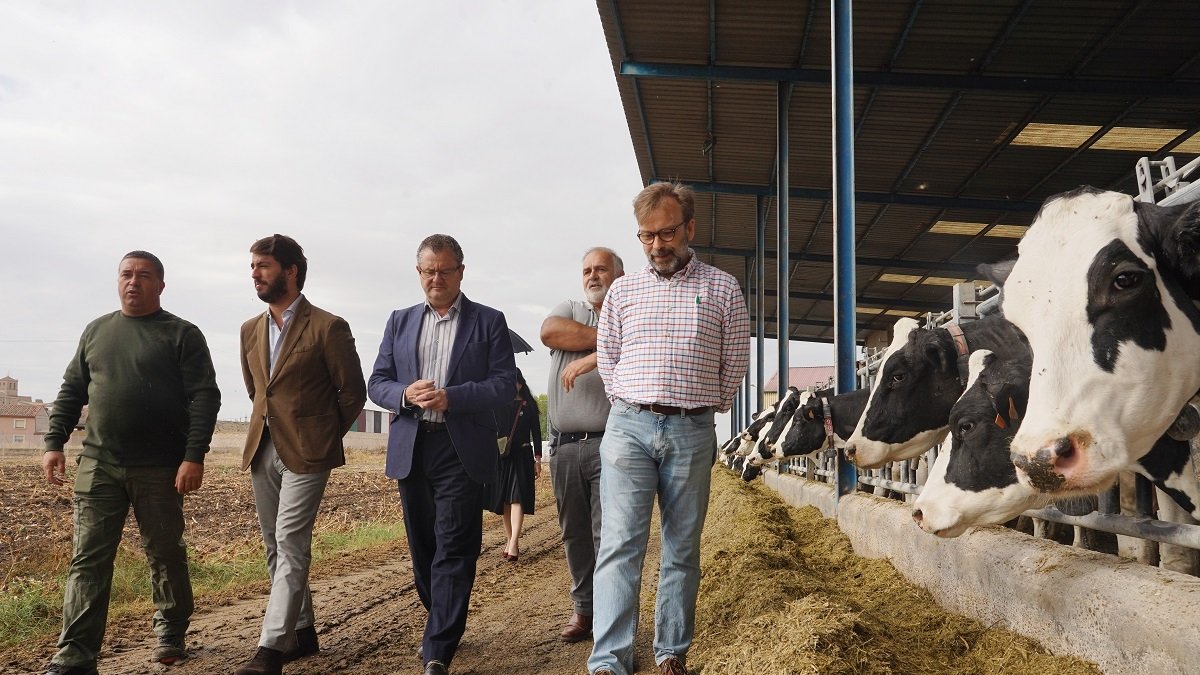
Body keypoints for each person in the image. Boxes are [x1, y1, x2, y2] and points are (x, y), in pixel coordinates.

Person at [587, 183, 750, 675]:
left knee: (682, 544)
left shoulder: (722, 287)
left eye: (667, 233)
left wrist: (705, 406)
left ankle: (670, 652)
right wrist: (627, 402)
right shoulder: (623, 290)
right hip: (630, 429)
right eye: (647, 236)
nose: (658, 245)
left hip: (692, 430)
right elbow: (609, 355)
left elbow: (735, 358)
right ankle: (610, 659)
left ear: (690, 228)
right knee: (621, 542)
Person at [40, 251, 221, 675]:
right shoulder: (97, 331)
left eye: (143, 276)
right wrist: (54, 441)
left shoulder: (181, 334)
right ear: (117, 280)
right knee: (88, 559)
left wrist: (193, 456)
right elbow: (72, 390)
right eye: (126, 274)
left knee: (164, 554)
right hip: (99, 463)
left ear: (160, 285)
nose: (133, 282)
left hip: (159, 467)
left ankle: (171, 632)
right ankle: (76, 656)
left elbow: (205, 397)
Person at [368, 234, 517, 675]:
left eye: (444, 270)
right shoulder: (399, 321)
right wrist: (404, 395)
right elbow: (377, 382)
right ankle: (443, 617)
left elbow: (504, 387)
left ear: (461, 272)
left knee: (454, 545)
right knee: (424, 548)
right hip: (413, 448)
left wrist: (452, 397)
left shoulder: (489, 322)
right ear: (419, 273)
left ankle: (438, 649)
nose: (436, 278)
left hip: (460, 448)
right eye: (428, 271)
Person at [234, 234, 367, 675]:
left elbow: (353, 391)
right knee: (274, 543)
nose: (255, 273)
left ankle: (271, 649)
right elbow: (258, 391)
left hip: (309, 451)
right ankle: (302, 632)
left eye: (264, 265)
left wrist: (324, 435)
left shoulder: (328, 326)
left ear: (290, 271)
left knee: (291, 539)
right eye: (253, 265)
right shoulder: (249, 329)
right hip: (263, 446)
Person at [539, 246, 624, 644]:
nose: (593, 276)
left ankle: (608, 615)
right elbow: (550, 332)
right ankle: (584, 610)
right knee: (573, 533)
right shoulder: (572, 307)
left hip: (611, 444)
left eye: (601, 269)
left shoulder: (629, 311)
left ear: (618, 275)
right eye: (587, 270)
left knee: (607, 534)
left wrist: (593, 345)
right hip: (565, 445)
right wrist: (607, 340)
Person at [485, 369, 542, 562]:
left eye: (515, 382)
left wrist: (538, 459)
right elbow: (492, 430)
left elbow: (536, 432)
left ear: (520, 383)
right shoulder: (498, 405)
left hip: (523, 456)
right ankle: (510, 540)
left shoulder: (529, 405)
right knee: (505, 502)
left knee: (517, 499)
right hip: (503, 458)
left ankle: (514, 543)